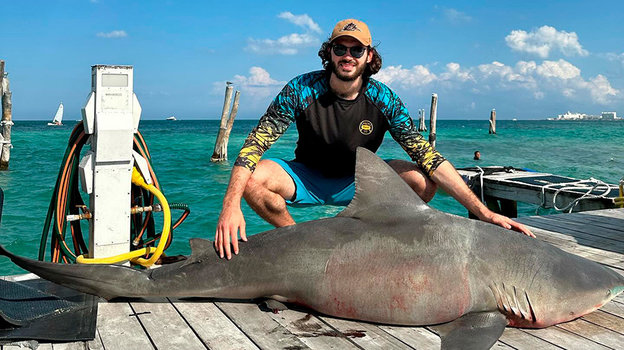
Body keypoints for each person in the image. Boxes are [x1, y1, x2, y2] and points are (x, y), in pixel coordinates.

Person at [215, 19, 534, 259]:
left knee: (423, 181)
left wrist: (485, 213)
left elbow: (428, 156)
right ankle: (302, 240)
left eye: (357, 49)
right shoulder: (302, 89)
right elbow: (254, 145)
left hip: (360, 182)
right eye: (340, 48)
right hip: (307, 176)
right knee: (253, 179)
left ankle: (368, 239)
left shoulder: (384, 99)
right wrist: (230, 207)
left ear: (369, 56)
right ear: (330, 54)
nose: (348, 56)